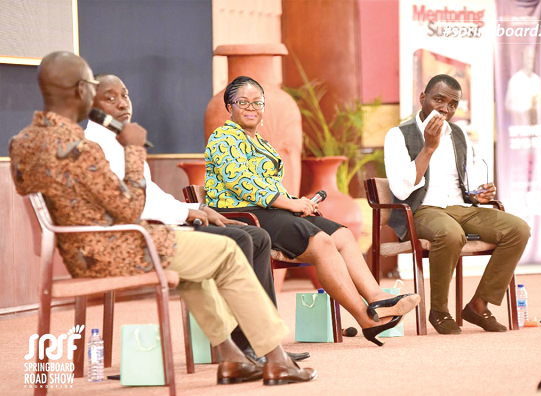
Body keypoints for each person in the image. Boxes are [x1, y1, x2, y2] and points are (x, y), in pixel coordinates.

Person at [9, 51, 315, 385]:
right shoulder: (80, 148)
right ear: (82, 90)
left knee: (197, 262)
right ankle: (276, 357)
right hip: (117, 248)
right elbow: (129, 208)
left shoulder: (23, 142)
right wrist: (134, 150)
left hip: (77, 251)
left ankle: (232, 357)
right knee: (228, 253)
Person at [84, 73, 308, 363]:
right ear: (90, 103)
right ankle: (253, 347)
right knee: (241, 238)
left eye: (125, 95)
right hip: (136, 237)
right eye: (110, 98)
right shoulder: (97, 145)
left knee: (258, 237)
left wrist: (196, 211)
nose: (122, 103)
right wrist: (189, 212)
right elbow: (132, 205)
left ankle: (258, 343)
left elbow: (150, 194)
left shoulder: (121, 138)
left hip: (157, 227)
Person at [204, 76, 421, 346]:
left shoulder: (260, 141)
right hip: (244, 214)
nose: (251, 107)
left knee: (342, 234)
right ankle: (367, 321)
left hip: (269, 209)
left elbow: (270, 186)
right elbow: (241, 183)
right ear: (229, 107)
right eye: (243, 102)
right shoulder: (222, 137)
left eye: (257, 102)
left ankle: (378, 299)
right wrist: (288, 203)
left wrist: (299, 202)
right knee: (321, 243)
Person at [384, 74, 531, 335]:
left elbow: (469, 182)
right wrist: (428, 148)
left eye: (452, 104)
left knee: (518, 229)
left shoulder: (459, 134)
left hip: (460, 208)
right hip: (422, 210)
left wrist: (480, 195)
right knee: (450, 234)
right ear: (423, 98)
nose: (444, 109)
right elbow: (401, 189)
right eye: (438, 100)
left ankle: (478, 304)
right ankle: (439, 311)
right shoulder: (398, 135)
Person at [504, 47, 541, 125]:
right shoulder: (515, 80)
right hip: (520, 126)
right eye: (528, 58)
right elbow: (508, 105)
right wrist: (524, 111)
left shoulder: (538, 80)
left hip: (536, 125)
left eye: (532, 58)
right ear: (523, 59)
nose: (530, 61)